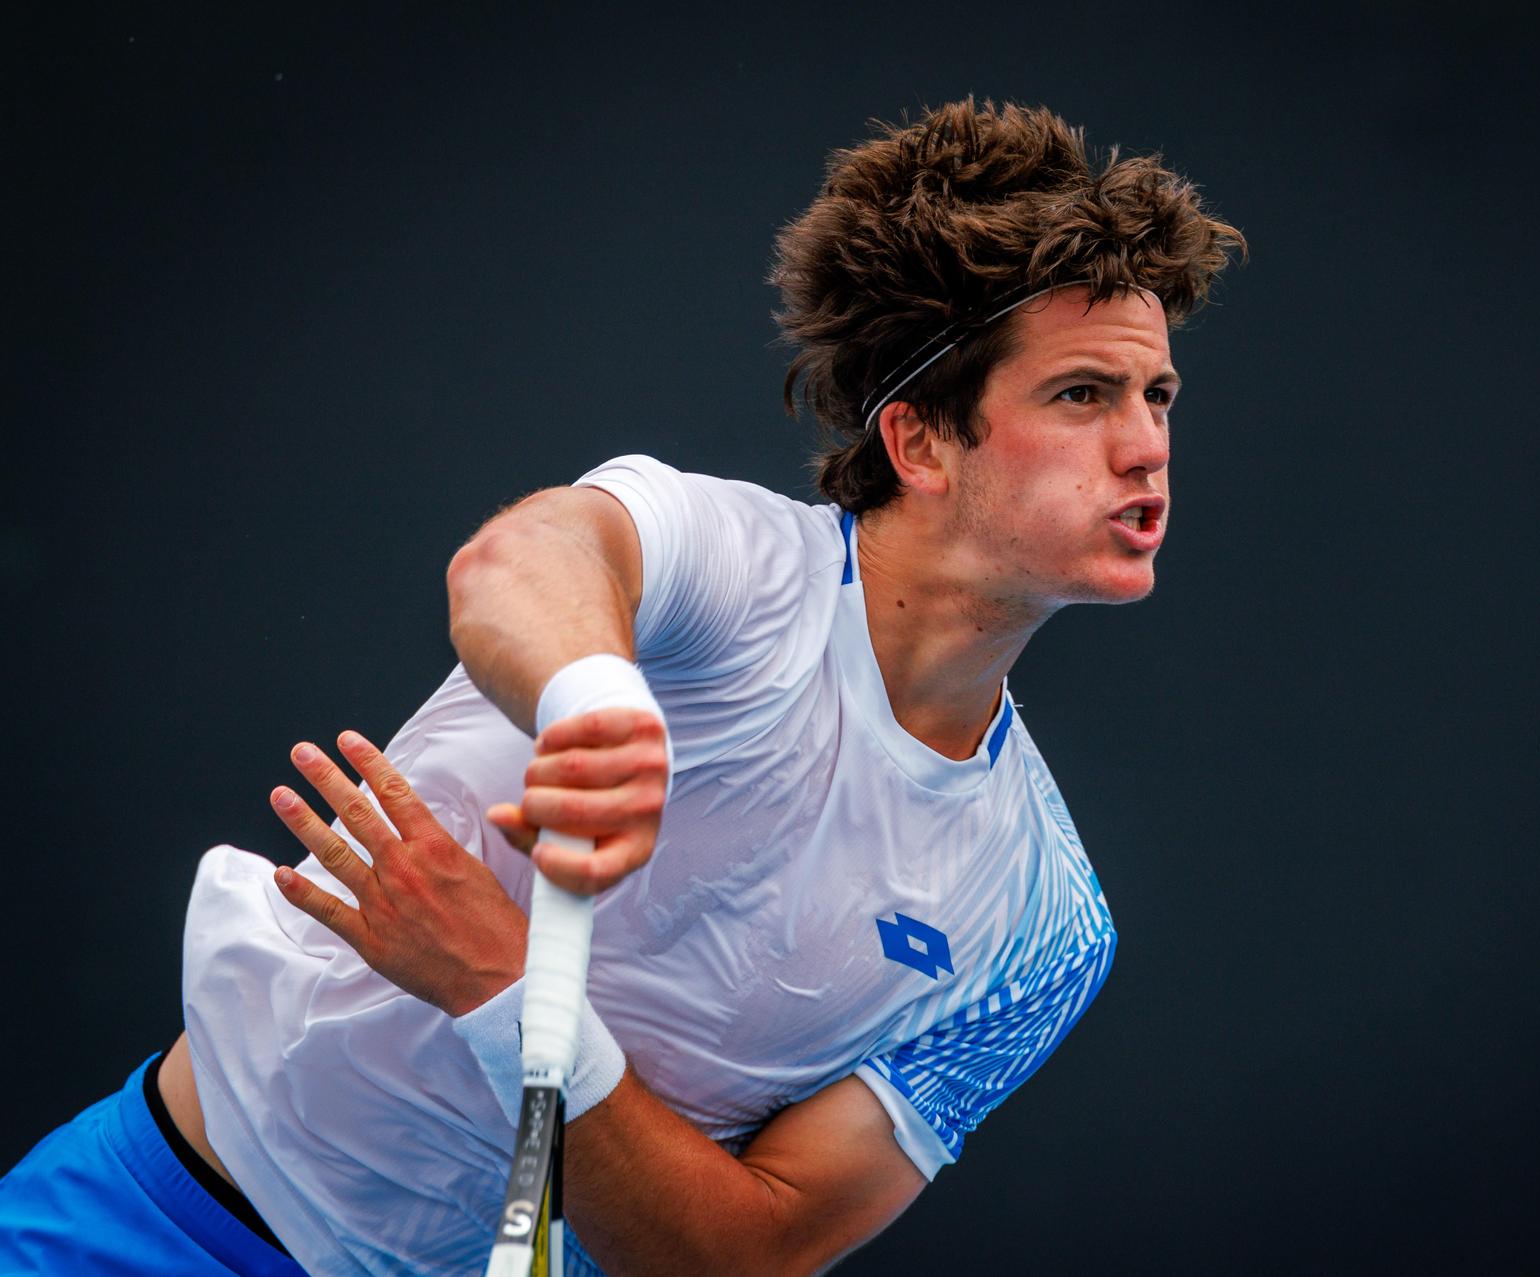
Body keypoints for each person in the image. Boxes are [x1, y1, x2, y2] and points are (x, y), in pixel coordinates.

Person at [0, 98, 1243, 1275]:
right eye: (1082, 394)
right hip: (146, 1225)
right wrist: (597, 697)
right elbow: (524, 557)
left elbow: (747, 1253)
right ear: (917, 438)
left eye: (1157, 394)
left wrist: (495, 983)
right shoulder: (738, 565)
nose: (1146, 443)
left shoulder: (1045, 929)